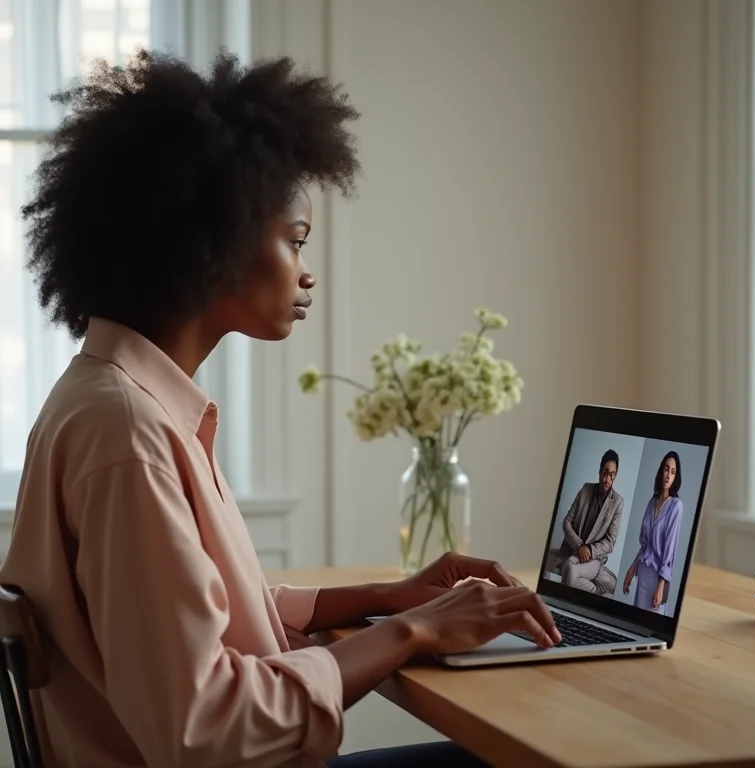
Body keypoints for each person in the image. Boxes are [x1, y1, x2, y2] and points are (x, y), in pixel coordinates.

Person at [0, 51, 560, 768]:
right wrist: (411, 633)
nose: (307, 269)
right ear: (215, 241)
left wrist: (390, 597)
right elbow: (202, 729)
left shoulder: (111, 400)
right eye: (294, 241)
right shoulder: (128, 435)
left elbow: (200, 611)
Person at [554, 450, 624, 595]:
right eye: (605, 472)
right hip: (572, 550)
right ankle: (595, 591)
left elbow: (610, 542)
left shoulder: (617, 502)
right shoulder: (586, 489)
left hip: (593, 560)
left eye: (613, 474)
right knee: (570, 569)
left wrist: (590, 550)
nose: (608, 478)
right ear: (599, 472)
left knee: (570, 568)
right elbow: (567, 522)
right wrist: (579, 545)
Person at [622, 451, 683, 615]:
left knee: (653, 624)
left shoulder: (676, 506)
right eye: (666, 469)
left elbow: (669, 552)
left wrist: (661, 585)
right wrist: (632, 569)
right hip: (643, 573)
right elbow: (645, 545)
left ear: (676, 477)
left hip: (657, 578)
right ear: (660, 472)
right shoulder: (651, 503)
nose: (668, 475)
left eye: (673, 472)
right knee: (637, 623)